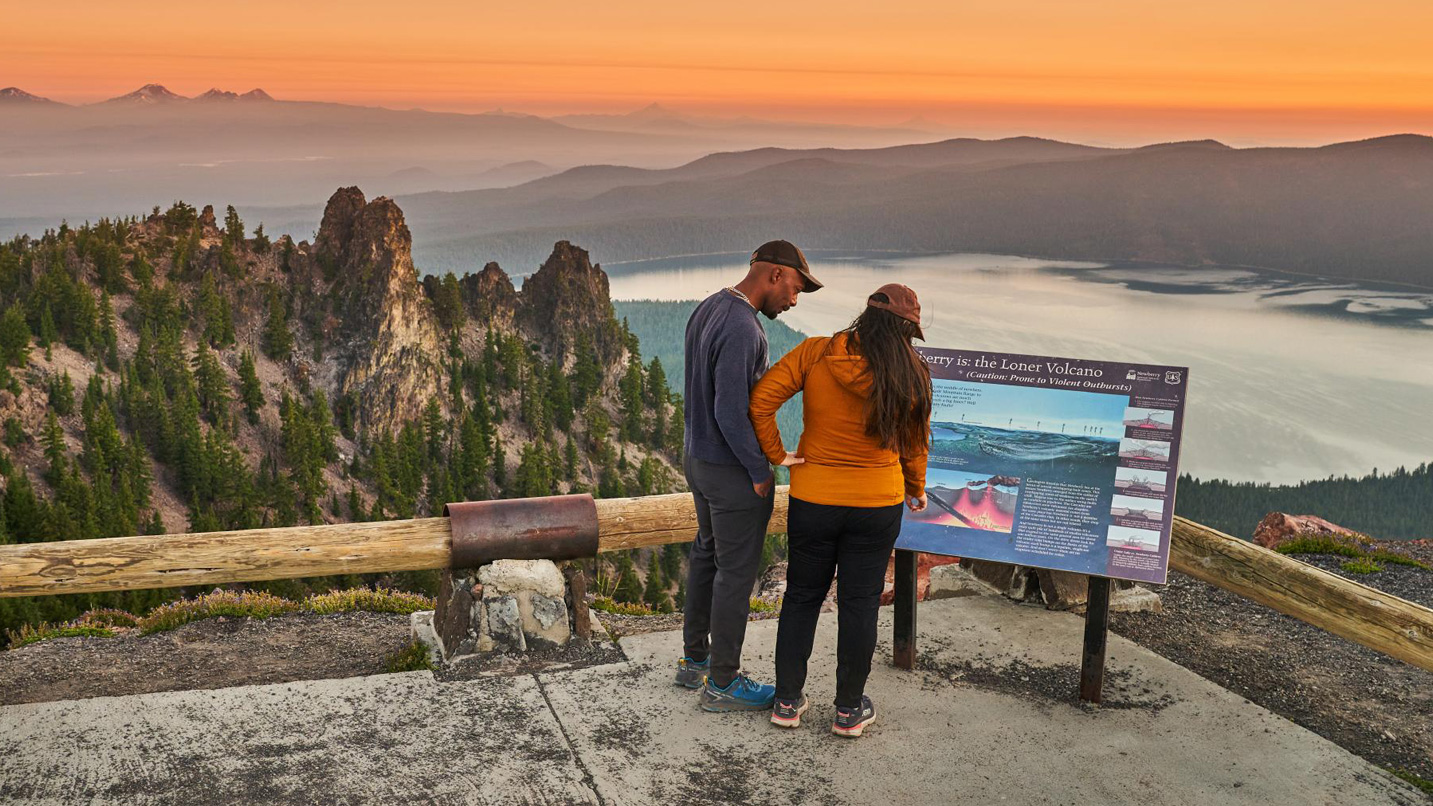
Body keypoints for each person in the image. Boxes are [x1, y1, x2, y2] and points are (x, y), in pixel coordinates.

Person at [749, 283, 931, 737]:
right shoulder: (912, 373)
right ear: (906, 330)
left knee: (801, 597)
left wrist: (778, 453)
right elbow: (914, 444)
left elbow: (762, 400)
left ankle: (787, 701)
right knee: (859, 604)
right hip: (876, 504)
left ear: (865, 317)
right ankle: (849, 710)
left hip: (815, 500)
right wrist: (916, 488)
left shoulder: (816, 353)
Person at [677, 239, 823, 712]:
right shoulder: (744, 328)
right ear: (775, 275)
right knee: (735, 576)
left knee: (707, 555)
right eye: (796, 289)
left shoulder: (710, 308)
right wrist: (761, 470)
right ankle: (723, 683)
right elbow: (731, 411)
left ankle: (694, 661)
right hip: (730, 470)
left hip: (698, 460)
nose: (794, 301)